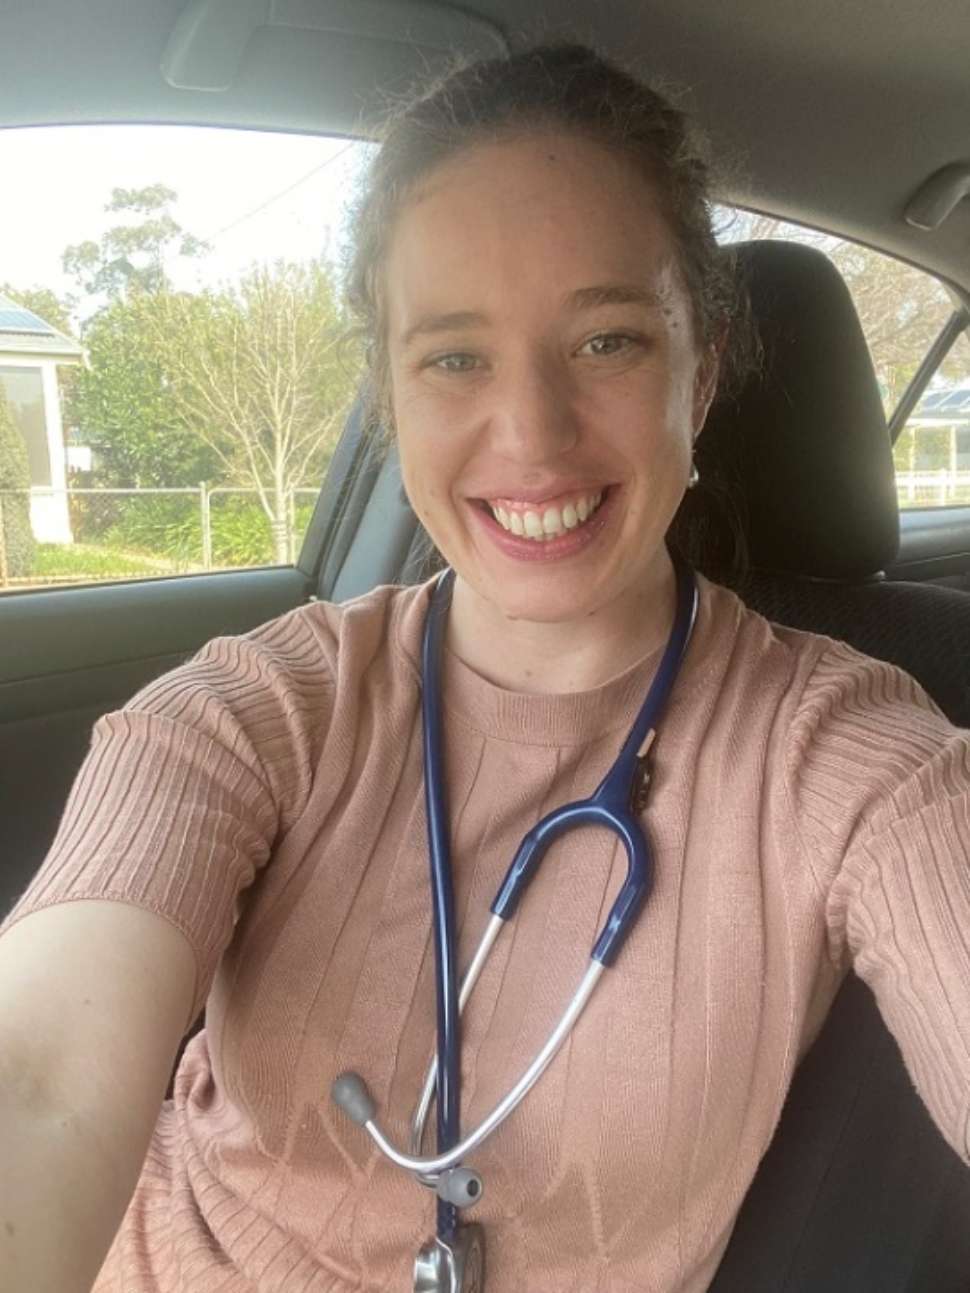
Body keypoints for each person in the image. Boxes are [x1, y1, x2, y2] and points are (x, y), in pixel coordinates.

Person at [1, 41, 968, 1293]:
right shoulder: (254, 712)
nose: (533, 435)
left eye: (609, 341)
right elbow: (36, 1076)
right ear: (391, 398)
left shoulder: (849, 756)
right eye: (454, 356)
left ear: (704, 369)